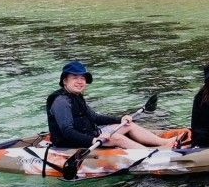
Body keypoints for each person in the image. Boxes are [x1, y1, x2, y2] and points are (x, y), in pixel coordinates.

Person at [47, 61, 175, 149]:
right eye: (75, 77)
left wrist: (120, 119)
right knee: (118, 138)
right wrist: (93, 140)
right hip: (71, 143)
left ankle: (164, 143)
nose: (80, 82)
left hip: (91, 134)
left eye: (83, 78)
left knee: (128, 124)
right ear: (65, 81)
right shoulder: (61, 101)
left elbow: (95, 118)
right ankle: (153, 154)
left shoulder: (76, 96)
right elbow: (67, 131)